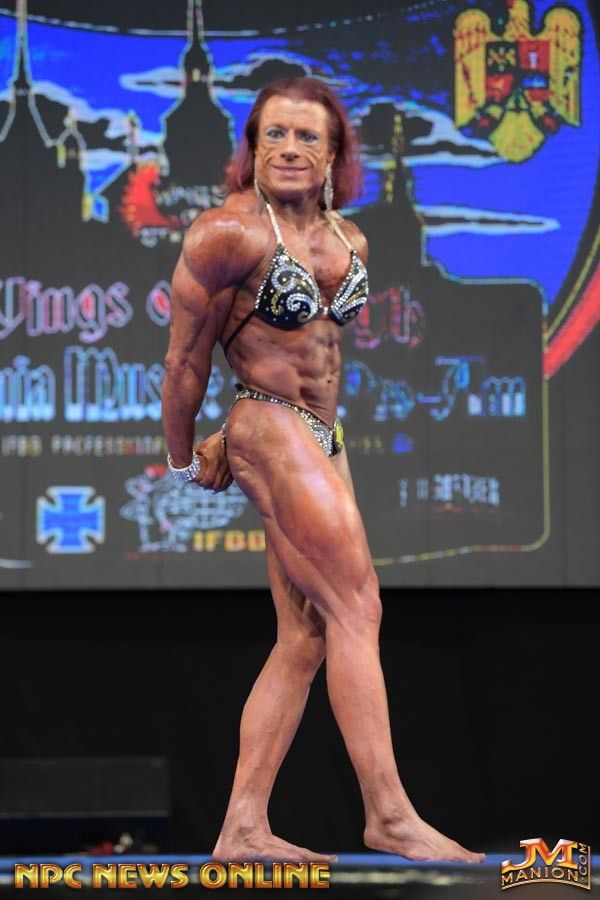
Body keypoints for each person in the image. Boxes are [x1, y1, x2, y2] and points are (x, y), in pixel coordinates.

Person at [161, 77, 485, 865]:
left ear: (335, 152)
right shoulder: (226, 232)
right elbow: (183, 361)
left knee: (305, 635)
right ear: (251, 148)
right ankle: (389, 814)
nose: (289, 149)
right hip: (265, 425)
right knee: (357, 606)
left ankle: (242, 826)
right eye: (273, 134)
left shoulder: (352, 239)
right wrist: (183, 456)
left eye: (307, 136)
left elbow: (320, 353)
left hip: (321, 436)